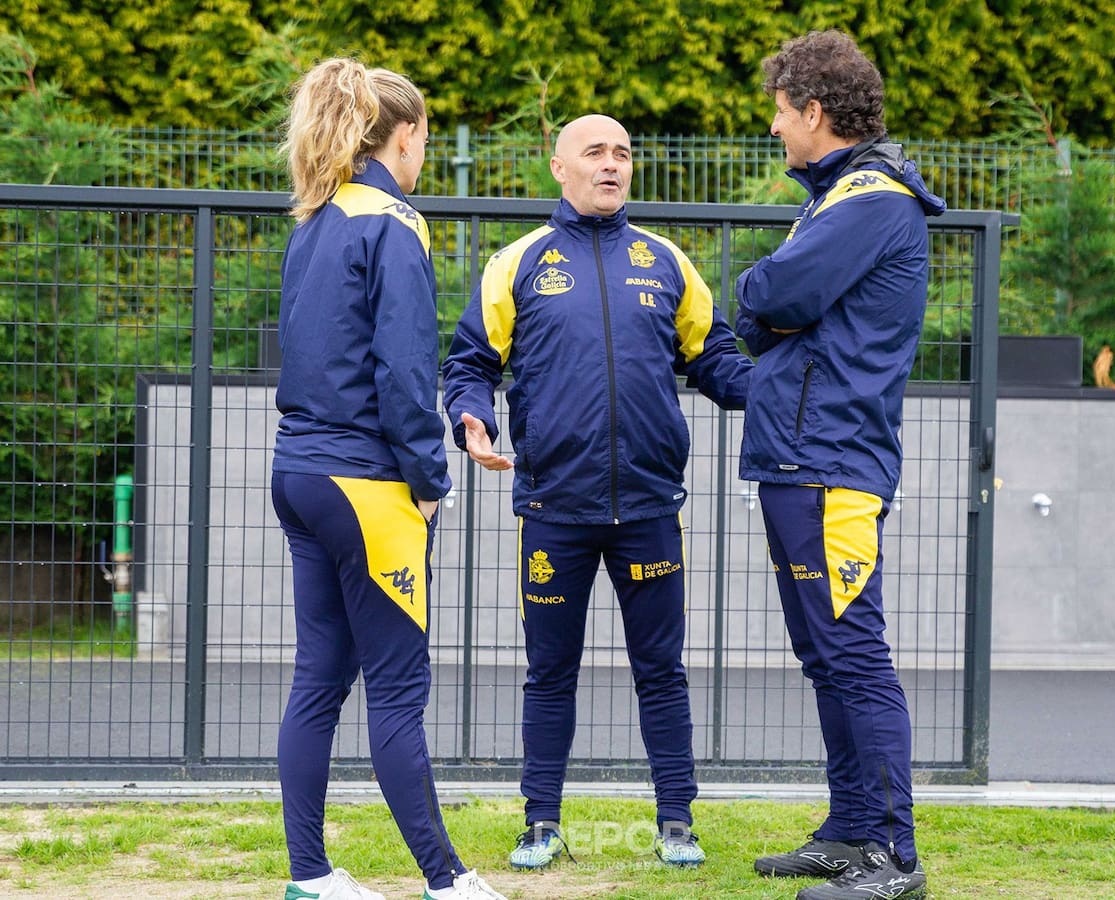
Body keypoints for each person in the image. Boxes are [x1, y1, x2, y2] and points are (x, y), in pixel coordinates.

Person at [442, 114, 753, 871]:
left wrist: (776, 393)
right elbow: (471, 362)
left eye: (622, 154)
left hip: (649, 507)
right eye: (595, 153)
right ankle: (541, 823)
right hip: (554, 509)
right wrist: (471, 417)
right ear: (560, 167)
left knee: (662, 670)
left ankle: (677, 822)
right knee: (550, 673)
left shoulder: (665, 260)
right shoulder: (518, 262)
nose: (611, 165)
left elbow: (713, 355)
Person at [271, 58, 507, 900]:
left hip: (298, 471)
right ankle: (447, 881)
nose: (424, 157)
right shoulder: (395, 222)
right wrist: (430, 477)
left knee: (319, 678)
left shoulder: (315, 216)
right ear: (403, 136)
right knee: (399, 692)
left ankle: (310, 876)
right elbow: (404, 371)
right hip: (366, 485)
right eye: (425, 140)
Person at [734, 31, 945, 900]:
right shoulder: (841, 198)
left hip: (830, 463)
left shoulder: (868, 200)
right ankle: (852, 831)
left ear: (815, 112)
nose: (775, 129)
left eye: (781, 113)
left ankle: (894, 857)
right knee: (827, 655)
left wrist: (766, 296)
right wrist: (774, 305)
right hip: (801, 459)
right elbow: (773, 314)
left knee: (853, 656)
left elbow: (770, 296)